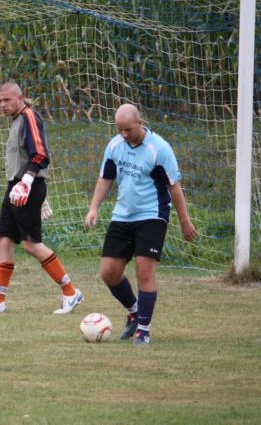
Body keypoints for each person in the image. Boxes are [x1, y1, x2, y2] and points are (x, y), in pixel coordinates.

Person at [84, 104, 197, 345]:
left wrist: (185, 221)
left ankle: (143, 331)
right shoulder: (115, 146)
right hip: (122, 215)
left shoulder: (160, 149)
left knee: (144, 272)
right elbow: (106, 178)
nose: (123, 134)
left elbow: (174, 188)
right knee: (108, 272)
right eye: (119, 129)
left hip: (152, 215)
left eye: (128, 129)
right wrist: (93, 208)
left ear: (140, 122)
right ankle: (135, 311)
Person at [0, 82, 84, 314]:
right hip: (15, 187)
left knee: (31, 244)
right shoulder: (15, 121)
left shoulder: (30, 116)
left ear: (20, 98)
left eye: (7, 100)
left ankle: (71, 292)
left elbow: (40, 154)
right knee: (3, 240)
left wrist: (27, 182)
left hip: (26, 187)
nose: (2, 104)